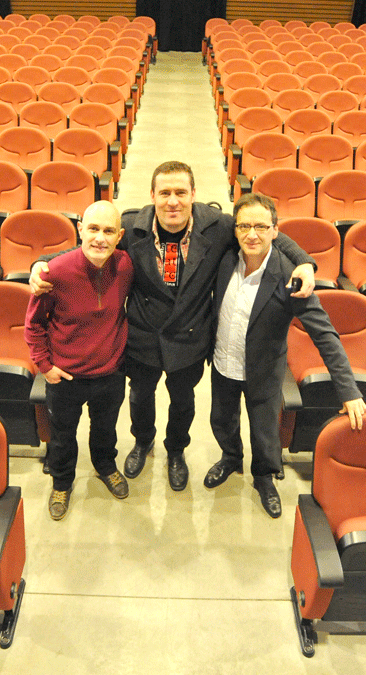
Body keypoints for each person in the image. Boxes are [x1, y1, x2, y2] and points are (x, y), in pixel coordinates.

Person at [30, 161, 317, 492]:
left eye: (181, 192)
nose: (173, 201)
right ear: (152, 196)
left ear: (194, 195)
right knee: (140, 397)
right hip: (142, 337)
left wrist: (305, 262)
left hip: (189, 338)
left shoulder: (218, 227)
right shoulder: (129, 227)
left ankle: (176, 451)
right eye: (164, 193)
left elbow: (264, 232)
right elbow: (93, 244)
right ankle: (142, 443)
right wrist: (43, 262)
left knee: (183, 402)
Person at [206, 193, 366, 518]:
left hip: (263, 371)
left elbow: (324, 334)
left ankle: (264, 478)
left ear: (275, 231)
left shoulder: (290, 277)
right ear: (235, 230)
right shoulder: (225, 257)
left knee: (265, 432)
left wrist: (348, 391)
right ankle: (231, 457)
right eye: (245, 226)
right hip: (223, 363)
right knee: (221, 419)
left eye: (261, 227)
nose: (252, 234)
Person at [24, 201, 134, 521]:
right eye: (94, 229)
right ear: (80, 230)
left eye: (109, 231)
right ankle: (61, 481)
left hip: (110, 374)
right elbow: (34, 324)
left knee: (105, 430)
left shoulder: (125, 266)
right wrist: (45, 366)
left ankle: (105, 466)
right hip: (66, 376)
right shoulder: (54, 272)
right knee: (62, 436)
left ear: (119, 236)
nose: (100, 238)